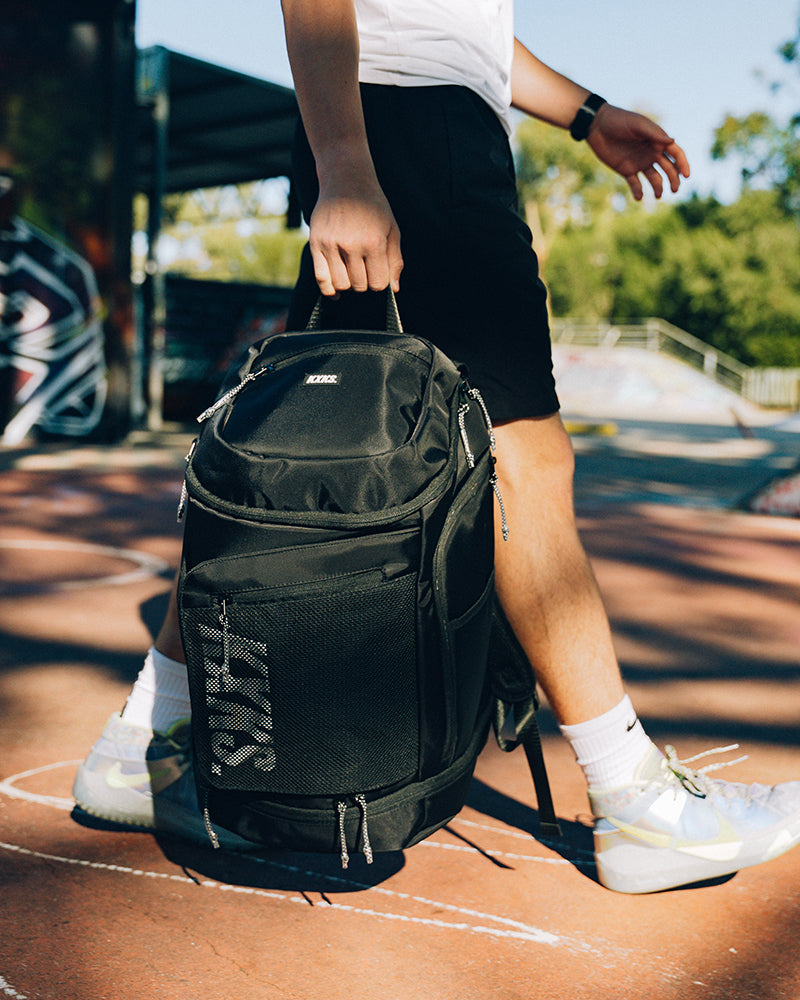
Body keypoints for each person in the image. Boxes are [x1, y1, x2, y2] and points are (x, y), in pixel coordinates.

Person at [73, 0, 800, 894]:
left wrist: (583, 114)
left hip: (404, 122)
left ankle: (144, 737)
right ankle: (633, 796)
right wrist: (345, 163)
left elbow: (469, 22)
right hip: (410, 131)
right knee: (525, 454)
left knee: (288, 465)